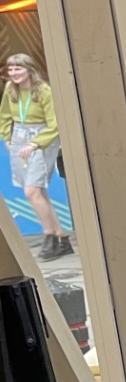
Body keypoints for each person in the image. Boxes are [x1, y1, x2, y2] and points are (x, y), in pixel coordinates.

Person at [2, 53, 70, 260]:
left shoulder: (43, 91)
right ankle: (62, 237)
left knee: (32, 190)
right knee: (38, 191)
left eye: (18, 68)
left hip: (42, 138)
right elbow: (4, 115)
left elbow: (55, 123)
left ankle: (50, 237)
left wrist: (35, 144)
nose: (13, 73)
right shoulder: (10, 89)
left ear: (30, 70)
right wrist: (7, 137)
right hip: (19, 136)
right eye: (11, 69)